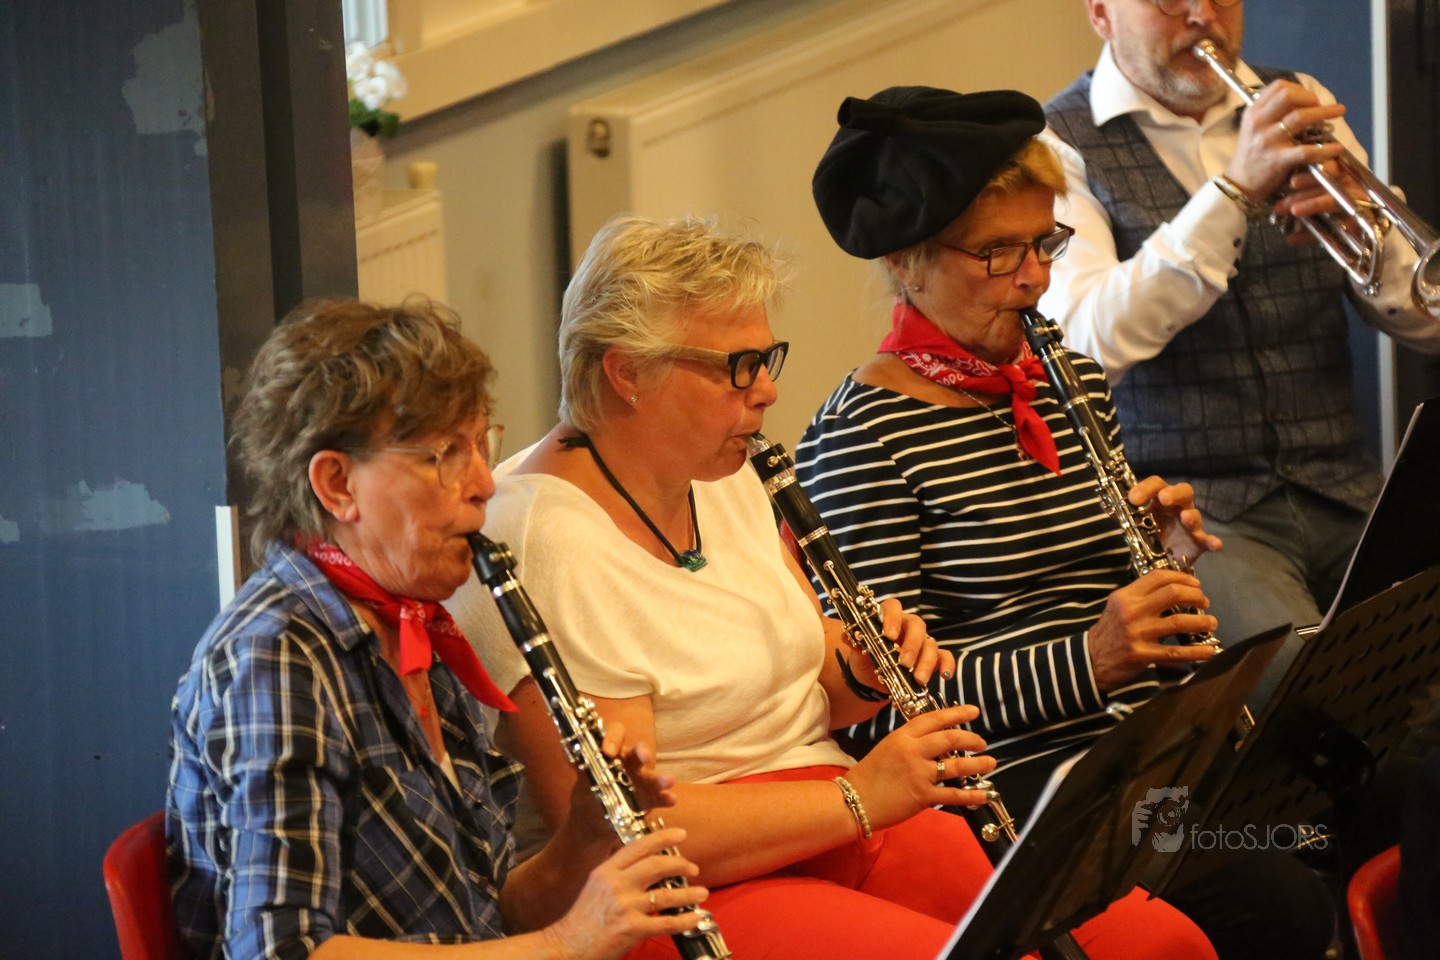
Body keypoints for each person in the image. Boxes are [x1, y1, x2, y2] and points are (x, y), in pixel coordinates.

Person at [450, 213, 1217, 960]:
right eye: (737, 368)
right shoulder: (547, 539)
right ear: (627, 373)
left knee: (1158, 943)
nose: (766, 392)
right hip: (695, 887)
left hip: (835, 819)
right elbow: (621, 826)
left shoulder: (720, 466)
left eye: (767, 360)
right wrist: (857, 798)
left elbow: (814, 683)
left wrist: (864, 670)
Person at [795, 85, 1334, 960]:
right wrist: (1089, 662)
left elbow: (1099, 599)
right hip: (1018, 794)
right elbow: (878, 715)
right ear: (906, 262)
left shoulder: (1068, 381)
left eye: (1044, 242)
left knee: (1349, 804)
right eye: (997, 253)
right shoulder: (863, 437)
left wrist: (1158, 560)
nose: (1037, 278)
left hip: (1140, 753)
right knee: (1273, 898)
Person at [166, 298, 708, 960]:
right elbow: (281, 950)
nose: (483, 483)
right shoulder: (277, 656)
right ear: (338, 484)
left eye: (482, 444)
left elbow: (490, 916)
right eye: (445, 453)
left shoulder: (418, 628)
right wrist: (567, 944)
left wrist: (586, 837)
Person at [1038, 0, 1440, 695]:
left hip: (1347, 488)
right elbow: (1084, 343)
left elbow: (1428, 318)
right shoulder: (1054, 144)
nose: (1202, 14)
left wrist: (1366, 233)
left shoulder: (1296, 99)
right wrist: (1231, 193)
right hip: (1200, 521)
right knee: (1309, 693)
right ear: (1101, 12)